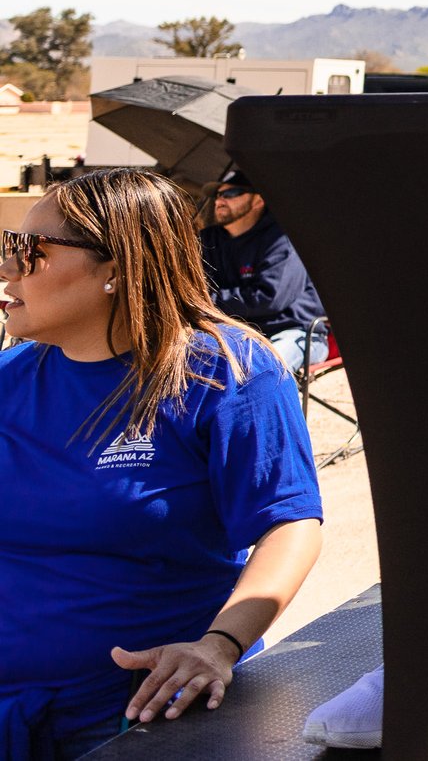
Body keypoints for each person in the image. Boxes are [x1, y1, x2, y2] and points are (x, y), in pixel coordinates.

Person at [1, 169, 325, 755]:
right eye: (8, 247)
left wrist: (219, 644)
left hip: (134, 717)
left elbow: (289, 523)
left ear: (117, 267)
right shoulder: (9, 380)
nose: (7, 270)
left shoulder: (225, 371)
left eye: (32, 253)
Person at [197, 169, 324, 375]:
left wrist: (208, 300)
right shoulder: (208, 240)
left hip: (292, 332)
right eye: (218, 195)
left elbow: (269, 298)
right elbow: (196, 285)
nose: (220, 200)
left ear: (258, 200)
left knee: (259, 371)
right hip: (233, 330)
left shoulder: (282, 239)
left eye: (230, 194)